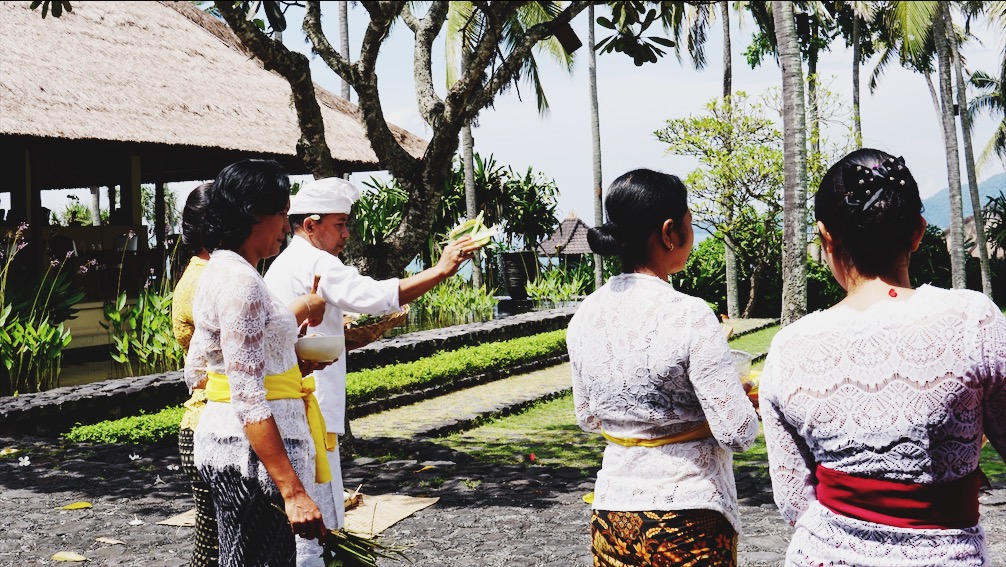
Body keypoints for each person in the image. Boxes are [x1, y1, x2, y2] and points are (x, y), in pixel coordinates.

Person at [759, 149, 1006, 566]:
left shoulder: (789, 347)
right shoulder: (971, 321)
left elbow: (793, 500)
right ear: (918, 233)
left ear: (826, 236)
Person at [262, 176, 482, 566]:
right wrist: (441, 270)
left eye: (347, 224)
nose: (346, 234)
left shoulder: (288, 262)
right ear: (310, 225)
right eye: (339, 225)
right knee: (316, 518)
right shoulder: (316, 261)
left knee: (310, 510)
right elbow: (376, 296)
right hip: (305, 399)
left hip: (294, 395)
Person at [567, 169, 759, 566]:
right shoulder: (690, 315)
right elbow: (737, 433)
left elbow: (587, 417)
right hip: (686, 515)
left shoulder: (585, 315)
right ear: (670, 232)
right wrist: (740, 401)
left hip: (613, 514)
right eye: (689, 224)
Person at [184, 159, 330, 567]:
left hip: (230, 446)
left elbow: (198, 369)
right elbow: (247, 396)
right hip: (251, 461)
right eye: (283, 214)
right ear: (254, 213)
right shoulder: (242, 283)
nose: (287, 226)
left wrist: (287, 365)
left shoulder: (219, 270)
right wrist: (293, 491)